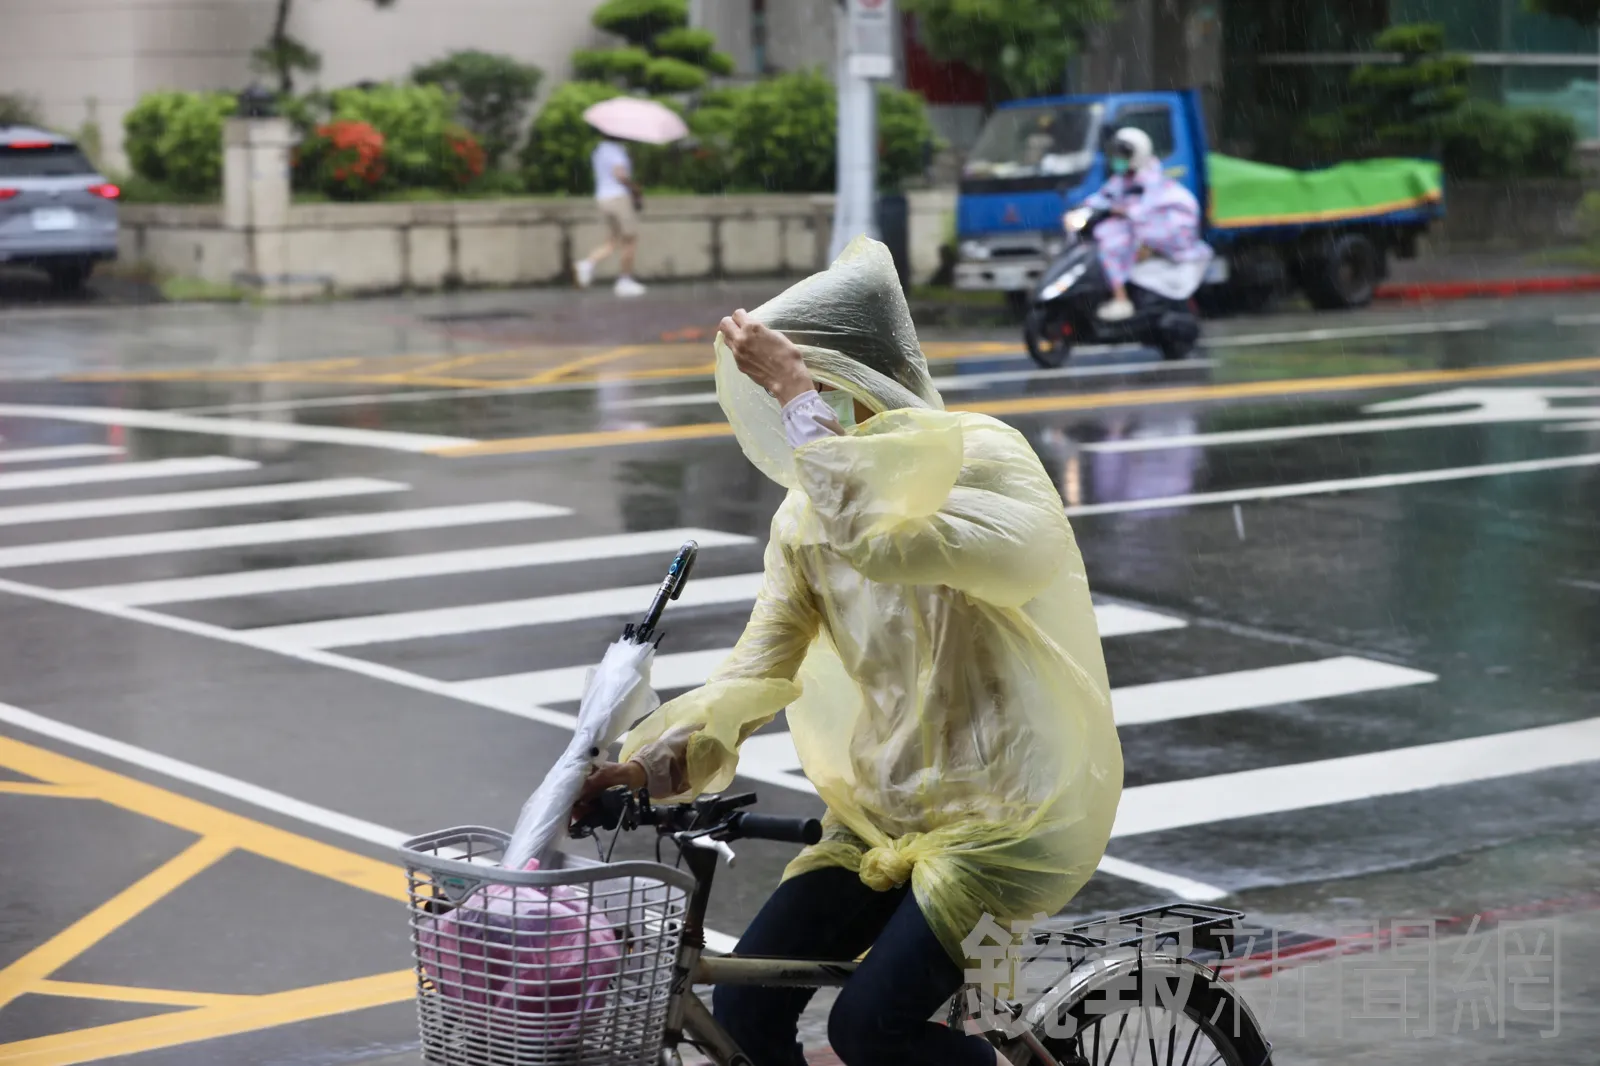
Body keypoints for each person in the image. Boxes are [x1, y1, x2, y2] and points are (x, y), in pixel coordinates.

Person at [575, 238, 1123, 1066]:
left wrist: (797, 391)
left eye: (822, 392)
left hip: (1010, 821)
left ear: (867, 386)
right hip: (883, 814)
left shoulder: (985, 461)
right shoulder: (805, 519)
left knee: (870, 1028)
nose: (807, 417)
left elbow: (884, 538)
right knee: (745, 1011)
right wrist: (647, 767)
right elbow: (758, 669)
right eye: (797, 397)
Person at [1085, 126, 1210, 322]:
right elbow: (1104, 196)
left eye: (1122, 154)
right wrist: (1083, 207)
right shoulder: (1122, 178)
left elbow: (1147, 209)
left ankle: (1121, 298)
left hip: (1154, 235)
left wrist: (1123, 211)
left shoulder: (1151, 178)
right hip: (1132, 230)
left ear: (1136, 153)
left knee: (1110, 246)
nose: (1117, 158)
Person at [574, 136, 646, 297]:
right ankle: (624, 280)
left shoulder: (599, 150)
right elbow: (619, 174)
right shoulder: (616, 151)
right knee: (630, 240)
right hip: (618, 197)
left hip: (603, 198)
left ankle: (587, 264)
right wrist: (634, 188)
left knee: (613, 240)